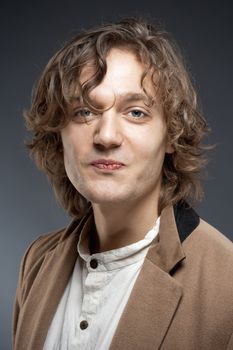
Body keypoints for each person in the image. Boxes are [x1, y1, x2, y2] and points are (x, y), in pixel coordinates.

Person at [13, 17, 233, 350]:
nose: (106, 136)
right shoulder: (37, 260)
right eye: (85, 112)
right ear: (58, 133)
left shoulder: (226, 282)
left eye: (136, 112)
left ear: (171, 134)